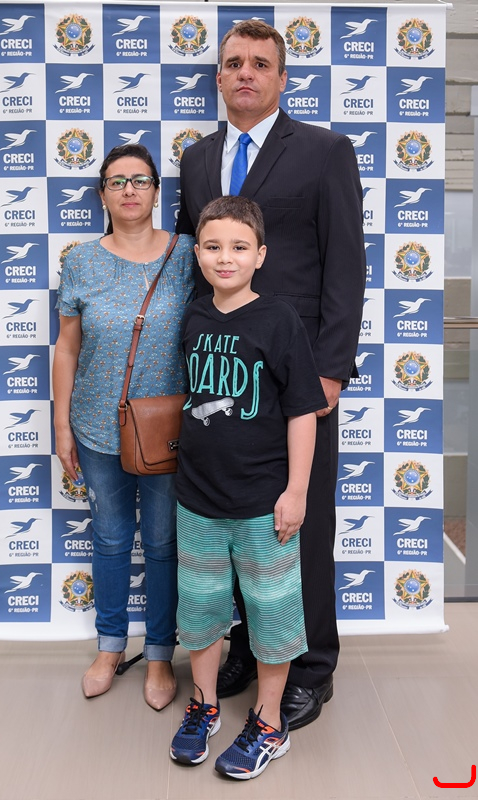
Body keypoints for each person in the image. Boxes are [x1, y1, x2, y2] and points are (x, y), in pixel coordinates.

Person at [176, 20, 366, 729]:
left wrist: (331, 371)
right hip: (220, 376)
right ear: (218, 78)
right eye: (234, 63)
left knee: (297, 522)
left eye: (260, 63)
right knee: (229, 519)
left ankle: (310, 668)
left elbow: (346, 264)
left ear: (282, 78)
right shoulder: (198, 159)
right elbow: (192, 266)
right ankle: (249, 652)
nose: (246, 73)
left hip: (297, 375)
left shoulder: (324, 151)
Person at [170, 196, 327, 779]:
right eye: (213, 247)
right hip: (197, 498)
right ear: (198, 254)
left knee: (271, 610)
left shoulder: (279, 319)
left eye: (239, 247)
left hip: (264, 501)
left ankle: (269, 722)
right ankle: (204, 705)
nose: (225, 257)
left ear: (260, 254)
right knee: (201, 606)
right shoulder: (193, 317)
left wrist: (297, 491)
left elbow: (303, 411)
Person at [53, 144, 195, 709]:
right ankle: (110, 646)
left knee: (162, 543)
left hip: (166, 431)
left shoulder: (187, 254)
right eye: (117, 181)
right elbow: (67, 347)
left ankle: (159, 654)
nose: (129, 190)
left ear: (157, 191)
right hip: (96, 426)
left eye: (140, 180)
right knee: (110, 539)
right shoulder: (81, 261)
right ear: (102, 195)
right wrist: (62, 425)